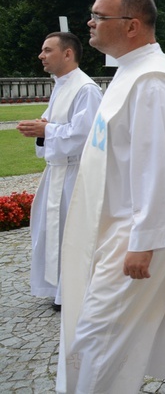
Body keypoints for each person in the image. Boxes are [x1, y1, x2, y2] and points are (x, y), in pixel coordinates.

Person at [57, 0, 165, 393]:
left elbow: (158, 166)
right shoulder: (130, 72)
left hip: (136, 230)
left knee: (98, 334)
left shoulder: (152, 82)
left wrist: (144, 242)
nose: (89, 23)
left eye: (98, 16)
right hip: (119, 222)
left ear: (131, 26)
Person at [17, 32, 101, 311]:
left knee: (73, 233)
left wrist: (47, 129)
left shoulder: (85, 88)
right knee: (51, 230)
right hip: (57, 173)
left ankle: (75, 291)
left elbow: (85, 135)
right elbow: (57, 126)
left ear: (67, 54)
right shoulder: (61, 85)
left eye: (47, 50)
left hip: (75, 174)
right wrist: (43, 129)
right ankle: (57, 287)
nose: (41, 55)